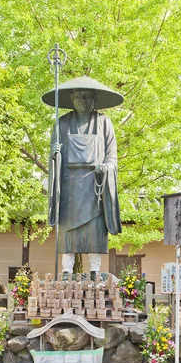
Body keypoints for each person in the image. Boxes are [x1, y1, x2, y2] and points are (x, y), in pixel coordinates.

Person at [42, 76, 123, 277]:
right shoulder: (61, 124)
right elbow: (54, 158)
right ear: (71, 98)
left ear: (95, 99)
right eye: (78, 95)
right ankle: (66, 270)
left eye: (88, 96)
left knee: (95, 228)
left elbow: (112, 157)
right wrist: (55, 154)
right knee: (68, 229)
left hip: (94, 187)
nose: (83, 100)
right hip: (69, 187)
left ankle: (95, 269)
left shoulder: (104, 123)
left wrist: (105, 167)